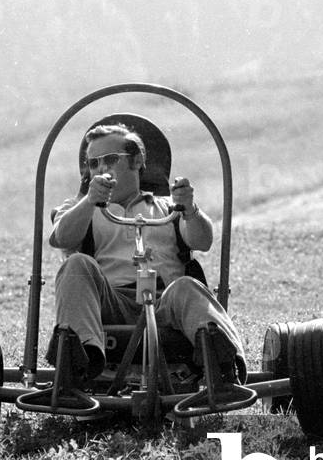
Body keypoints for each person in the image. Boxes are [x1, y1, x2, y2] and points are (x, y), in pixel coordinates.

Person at [48, 122, 245, 384]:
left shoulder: (168, 206)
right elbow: (63, 237)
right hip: (111, 302)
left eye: (110, 160)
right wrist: (89, 200)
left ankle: (223, 365)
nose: (101, 168)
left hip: (166, 303)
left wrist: (189, 208)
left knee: (187, 286)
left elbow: (203, 240)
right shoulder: (80, 208)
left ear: (137, 161)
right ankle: (80, 367)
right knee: (76, 264)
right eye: (93, 164)